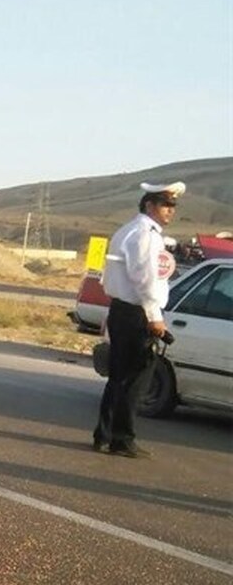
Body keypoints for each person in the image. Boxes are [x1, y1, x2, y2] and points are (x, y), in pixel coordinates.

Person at [92, 181, 185, 458]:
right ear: (149, 205)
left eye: (172, 206)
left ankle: (105, 434)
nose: (170, 211)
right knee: (135, 378)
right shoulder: (146, 235)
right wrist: (155, 317)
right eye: (165, 205)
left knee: (119, 378)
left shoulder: (129, 230)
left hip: (124, 310)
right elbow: (145, 279)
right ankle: (122, 438)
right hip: (136, 313)